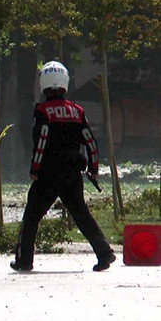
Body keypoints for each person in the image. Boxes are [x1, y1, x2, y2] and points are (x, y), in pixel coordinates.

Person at [10, 61, 115, 272]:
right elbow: (91, 143)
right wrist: (93, 170)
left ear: (43, 84)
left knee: (31, 217)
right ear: (65, 83)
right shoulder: (77, 111)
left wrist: (34, 169)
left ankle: (24, 260)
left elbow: (41, 142)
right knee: (81, 214)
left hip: (48, 174)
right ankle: (105, 253)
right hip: (72, 174)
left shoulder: (42, 111)